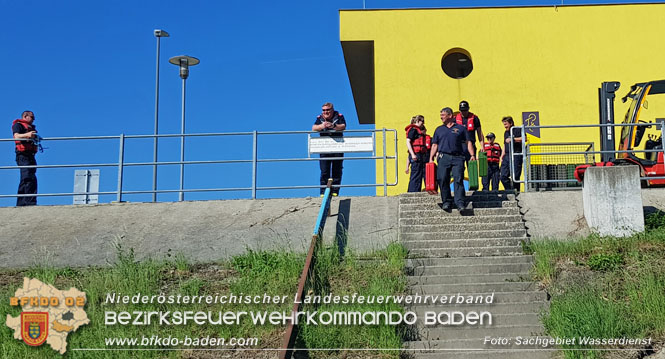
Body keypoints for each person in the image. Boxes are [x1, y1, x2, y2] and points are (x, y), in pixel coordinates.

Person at [430, 107, 475, 211]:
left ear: (450, 116)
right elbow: (434, 145)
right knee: (442, 178)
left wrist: (472, 155)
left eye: (443, 115)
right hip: (443, 157)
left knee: (458, 179)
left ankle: (460, 203)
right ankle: (446, 201)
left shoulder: (461, 128)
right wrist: (431, 158)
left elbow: (468, 142)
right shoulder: (438, 129)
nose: (441, 117)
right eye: (440, 115)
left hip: (458, 157)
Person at [312, 102, 346, 196]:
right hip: (324, 147)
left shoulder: (339, 116)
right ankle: (323, 191)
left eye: (327, 110)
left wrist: (333, 126)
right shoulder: (320, 118)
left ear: (332, 110)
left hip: (337, 146)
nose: (325, 112)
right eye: (324, 110)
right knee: (324, 170)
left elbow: (343, 126)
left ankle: (335, 191)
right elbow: (314, 128)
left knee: (337, 169)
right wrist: (322, 126)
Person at [12, 110, 39, 206]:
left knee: (31, 178)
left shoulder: (31, 128)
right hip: (22, 155)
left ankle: (27, 202)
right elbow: (16, 136)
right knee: (27, 177)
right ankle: (26, 202)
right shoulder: (18, 125)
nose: (33, 119)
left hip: (30, 155)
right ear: (25, 116)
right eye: (32, 117)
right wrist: (27, 135)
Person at [405, 115, 430, 192]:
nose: (423, 124)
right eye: (422, 122)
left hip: (420, 155)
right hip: (416, 154)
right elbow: (408, 141)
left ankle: (417, 191)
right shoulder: (413, 130)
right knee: (415, 174)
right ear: (418, 121)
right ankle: (412, 192)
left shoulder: (417, 131)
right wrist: (413, 154)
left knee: (419, 174)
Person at [500, 116, 524, 191]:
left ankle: (516, 191)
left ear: (511, 123)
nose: (505, 126)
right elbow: (505, 144)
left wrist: (513, 139)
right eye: (504, 124)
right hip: (507, 155)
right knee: (503, 175)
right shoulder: (506, 132)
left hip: (516, 154)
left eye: (506, 124)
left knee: (515, 175)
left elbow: (524, 138)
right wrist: (502, 155)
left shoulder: (517, 129)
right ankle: (509, 190)